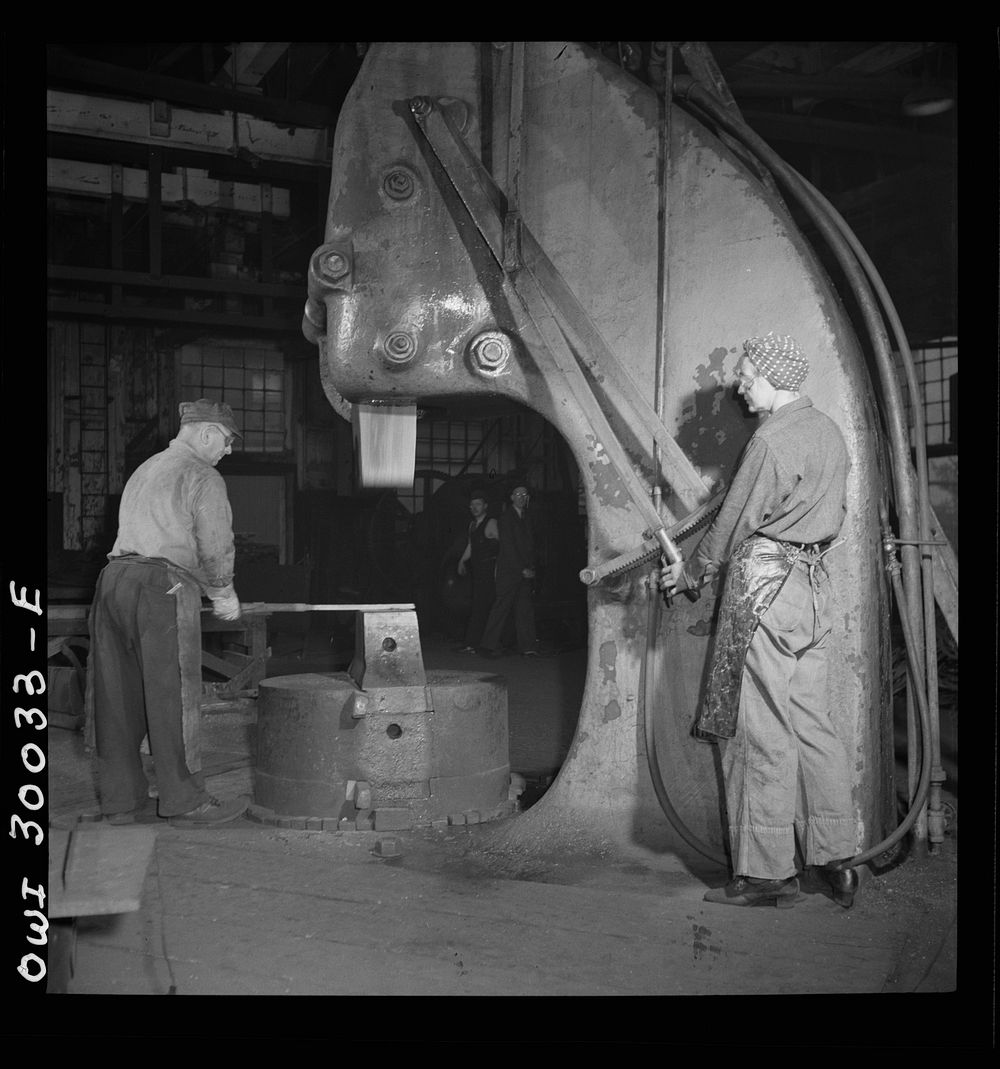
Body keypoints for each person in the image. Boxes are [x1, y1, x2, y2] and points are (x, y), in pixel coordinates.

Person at [658, 333, 859, 909]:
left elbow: (733, 524)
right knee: (812, 723)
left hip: (766, 592)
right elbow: (835, 515)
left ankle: (767, 874)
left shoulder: (772, 440)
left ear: (772, 373)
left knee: (763, 727)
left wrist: (692, 573)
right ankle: (835, 857)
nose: (741, 384)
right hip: (814, 594)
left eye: (747, 373)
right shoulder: (827, 433)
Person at [86, 399, 250, 827]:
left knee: (116, 697)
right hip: (163, 585)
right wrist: (223, 592)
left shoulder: (147, 468)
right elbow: (214, 541)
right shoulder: (202, 474)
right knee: (172, 694)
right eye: (228, 440)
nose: (228, 451)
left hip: (112, 580)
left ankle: (121, 802)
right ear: (209, 433)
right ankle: (184, 799)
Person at [478, 484, 539, 657]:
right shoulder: (506, 518)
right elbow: (508, 547)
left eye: (524, 494)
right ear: (511, 497)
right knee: (501, 608)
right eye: (517, 494)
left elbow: (530, 545)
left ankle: (528, 647)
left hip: (525, 571)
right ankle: (488, 646)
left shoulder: (527, 517)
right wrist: (521, 569)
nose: (521, 497)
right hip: (510, 571)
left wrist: (531, 567)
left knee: (524, 610)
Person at [455, 490, 499, 653]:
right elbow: (471, 545)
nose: (474, 507)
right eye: (472, 505)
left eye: (478, 504)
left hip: (489, 571)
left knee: (486, 607)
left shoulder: (491, 523)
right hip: (477, 572)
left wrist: (497, 570)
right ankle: (473, 643)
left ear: (485, 506)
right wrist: (462, 560)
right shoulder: (472, 525)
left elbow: (502, 547)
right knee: (477, 607)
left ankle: (479, 644)